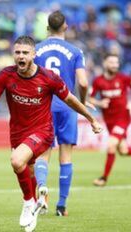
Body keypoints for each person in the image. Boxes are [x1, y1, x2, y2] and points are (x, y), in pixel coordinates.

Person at [0, 35, 102, 232]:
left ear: (34, 55)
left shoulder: (49, 78)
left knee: (16, 160)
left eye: (25, 53)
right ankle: (36, 204)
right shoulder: (6, 75)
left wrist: (92, 119)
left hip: (42, 131)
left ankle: (28, 202)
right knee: (26, 172)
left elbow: (71, 100)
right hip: (18, 133)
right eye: (17, 52)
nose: (21, 56)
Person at [33, 10, 88, 216]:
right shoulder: (75, 51)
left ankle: (42, 192)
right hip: (67, 105)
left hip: (43, 106)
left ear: (47, 28)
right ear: (65, 26)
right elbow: (83, 82)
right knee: (66, 156)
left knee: (42, 154)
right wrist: (81, 103)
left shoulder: (36, 50)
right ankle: (62, 205)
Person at [90, 53, 131, 187]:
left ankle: (103, 178)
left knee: (111, 145)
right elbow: (91, 98)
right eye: (111, 62)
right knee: (123, 151)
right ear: (105, 63)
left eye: (116, 63)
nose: (115, 65)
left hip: (123, 117)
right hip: (109, 120)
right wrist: (99, 103)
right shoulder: (98, 81)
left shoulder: (123, 78)